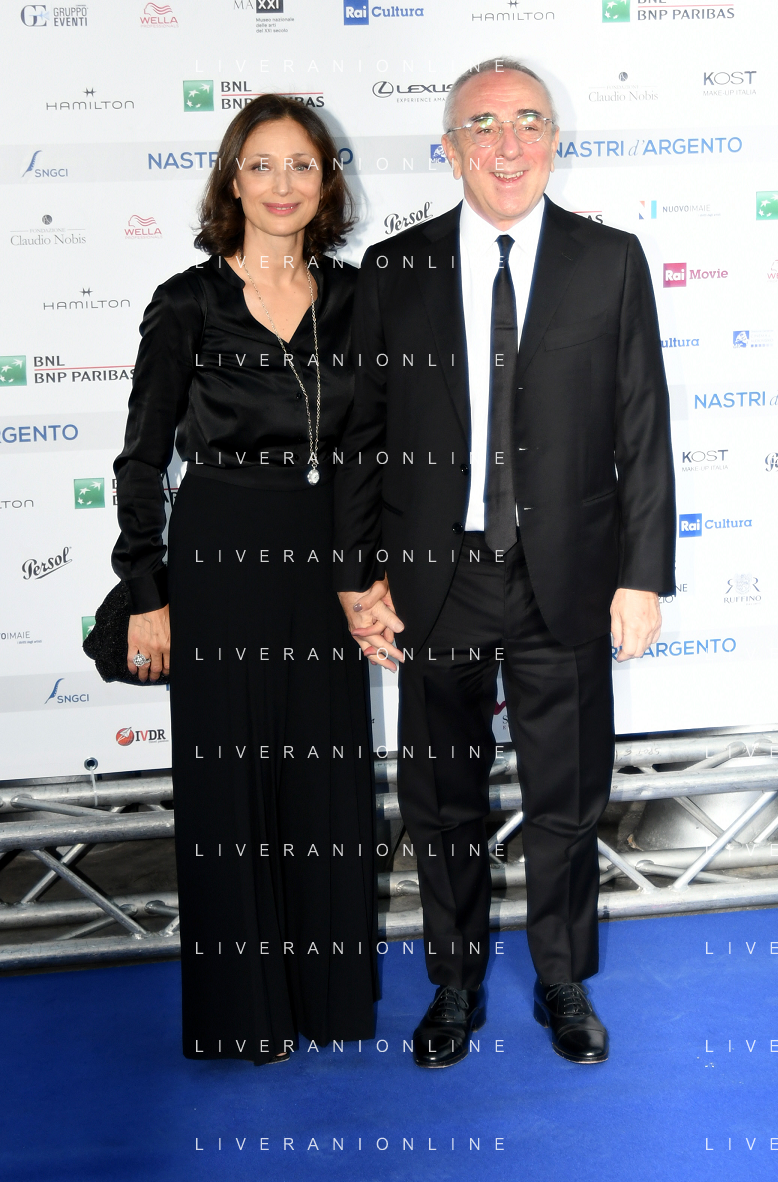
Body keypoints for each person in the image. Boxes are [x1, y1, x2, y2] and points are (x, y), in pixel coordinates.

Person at [333, 58, 676, 1067]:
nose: (508, 144)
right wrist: (355, 576)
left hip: (566, 576)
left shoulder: (610, 261)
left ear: (555, 140)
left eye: (529, 121)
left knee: (567, 796)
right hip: (433, 581)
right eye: (482, 126)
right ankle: (454, 981)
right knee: (441, 799)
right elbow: (361, 437)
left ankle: (563, 980)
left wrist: (642, 574)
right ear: (450, 149)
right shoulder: (393, 272)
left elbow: (642, 429)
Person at [112, 94, 380, 1065]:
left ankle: (327, 996)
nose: (281, 184)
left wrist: (369, 572)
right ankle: (243, 1012)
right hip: (219, 555)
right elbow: (142, 459)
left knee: (325, 777)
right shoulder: (187, 302)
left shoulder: (355, 298)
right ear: (232, 179)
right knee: (229, 786)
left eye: (301, 164)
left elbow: (371, 448)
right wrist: (147, 590)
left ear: (327, 181)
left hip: (326, 561)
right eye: (260, 164)